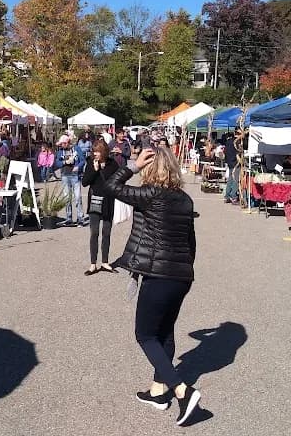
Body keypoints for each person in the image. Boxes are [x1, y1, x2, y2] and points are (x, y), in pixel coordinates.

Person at [103, 146, 201, 426]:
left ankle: (182, 391)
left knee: (145, 335)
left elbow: (110, 185)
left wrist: (132, 165)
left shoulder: (150, 195)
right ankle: (159, 391)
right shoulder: (184, 199)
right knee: (164, 333)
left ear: (150, 168)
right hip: (181, 275)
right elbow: (191, 242)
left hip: (159, 276)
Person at [81, 140, 119, 275]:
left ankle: (105, 262)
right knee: (94, 232)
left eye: (98, 151)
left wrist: (104, 169)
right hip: (95, 201)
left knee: (107, 233)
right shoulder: (90, 163)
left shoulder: (112, 164)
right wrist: (95, 170)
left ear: (104, 152)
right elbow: (85, 182)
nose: (95, 154)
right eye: (94, 151)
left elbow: (118, 180)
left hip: (108, 201)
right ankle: (93, 264)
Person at [54, 135, 86, 227]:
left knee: (77, 198)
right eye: (61, 144)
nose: (61, 145)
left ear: (67, 142)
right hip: (65, 175)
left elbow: (82, 160)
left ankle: (80, 218)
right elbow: (57, 163)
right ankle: (69, 218)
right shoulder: (60, 151)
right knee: (67, 198)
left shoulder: (76, 149)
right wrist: (64, 162)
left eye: (63, 144)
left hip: (75, 175)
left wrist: (78, 167)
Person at [223, 130, 240, 204]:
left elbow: (225, 152)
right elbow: (238, 153)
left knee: (230, 179)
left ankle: (227, 196)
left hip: (230, 163)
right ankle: (233, 196)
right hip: (236, 163)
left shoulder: (228, 141)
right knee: (235, 180)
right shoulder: (237, 142)